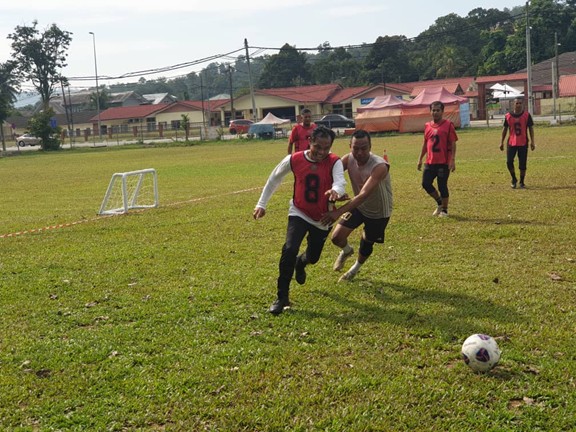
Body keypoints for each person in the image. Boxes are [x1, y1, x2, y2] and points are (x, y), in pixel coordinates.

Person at [254, 125, 346, 315]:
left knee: (313, 257)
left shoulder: (334, 161)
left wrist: (336, 191)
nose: (321, 152)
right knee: (289, 249)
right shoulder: (294, 159)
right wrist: (261, 204)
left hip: (322, 218)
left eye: (326, 148)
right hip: (299, 211)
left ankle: (301, 263)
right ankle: (282, 297)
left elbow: (340, 182)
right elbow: (274, 179)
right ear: (310, 141)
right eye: (317, 147)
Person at [320, 130, 392, 282]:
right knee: (337, 237)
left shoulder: (379, 166)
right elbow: (331, 176)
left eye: (364, 148)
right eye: (356, 148)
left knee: (366, 242)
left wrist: (337, 212)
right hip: (359, 206)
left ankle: (354, 270)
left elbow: (363, 194)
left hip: (378, 212)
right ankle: (347, 251)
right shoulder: (348, 159)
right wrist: (336, 192)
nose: (359, 152)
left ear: (370, 146)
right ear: (350, 146)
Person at [417, 101, 458, 217]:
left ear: (442, 111)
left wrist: (452, 159)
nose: (435, 112)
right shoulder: (427, 125)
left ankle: (445, 210)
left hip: (443, 162)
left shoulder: (448, 125)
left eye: (438, 110)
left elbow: (453, 143)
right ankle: (439, 202)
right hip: (430, 161)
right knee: (426, 183)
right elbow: (425, 143)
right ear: (430, 111)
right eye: (433, 110)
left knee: (442, 186)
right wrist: (420, 159)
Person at [500, 97, 535, 189]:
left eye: (520, 103)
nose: (518, 105)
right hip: (511, 142)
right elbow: (504, 129)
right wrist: (501, 142)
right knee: (509, 162)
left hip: (523, 142)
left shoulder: (526, 115)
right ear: (513, 104)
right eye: (517, 103)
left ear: (522, 104)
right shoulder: (508, 116)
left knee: (522, 164)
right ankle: (514, 179)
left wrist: (532, 141)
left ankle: (522, 182)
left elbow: (531, 128)